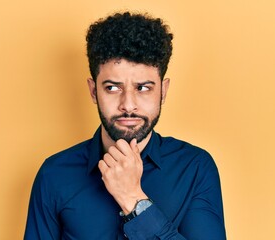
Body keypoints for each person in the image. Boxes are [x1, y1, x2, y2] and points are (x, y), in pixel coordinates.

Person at [24, 12, 226, 240]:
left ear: (163, 91)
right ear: (93, 91)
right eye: (112, 88)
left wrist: (133, 199)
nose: (128, 105)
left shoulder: (195, 168)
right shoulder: (54, 174)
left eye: (143, 88)